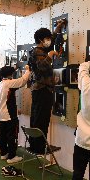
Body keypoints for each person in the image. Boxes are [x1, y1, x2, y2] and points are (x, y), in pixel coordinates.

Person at [28, 20, 65, 154]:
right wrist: (50, 56)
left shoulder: (42, 49)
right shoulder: (37, 51)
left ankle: (36, 145)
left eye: (49, 38)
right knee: (41, 120)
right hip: (42, 90)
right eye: (47, 38)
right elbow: (41, 67)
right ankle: (39, 147)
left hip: (42, 90)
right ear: (40, 40)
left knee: (38, 118)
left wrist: (58, 28)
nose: (49, 41)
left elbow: (53, 39)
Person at [0, 65, 30, 164]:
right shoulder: (8, 83)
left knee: (2, 135)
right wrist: (28, 70)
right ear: (10, 74)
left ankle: (4, 153)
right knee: (12, 136)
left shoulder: (1, 83)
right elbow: (23, 81)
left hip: (1, 115)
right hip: (9, 115)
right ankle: (12, 156)